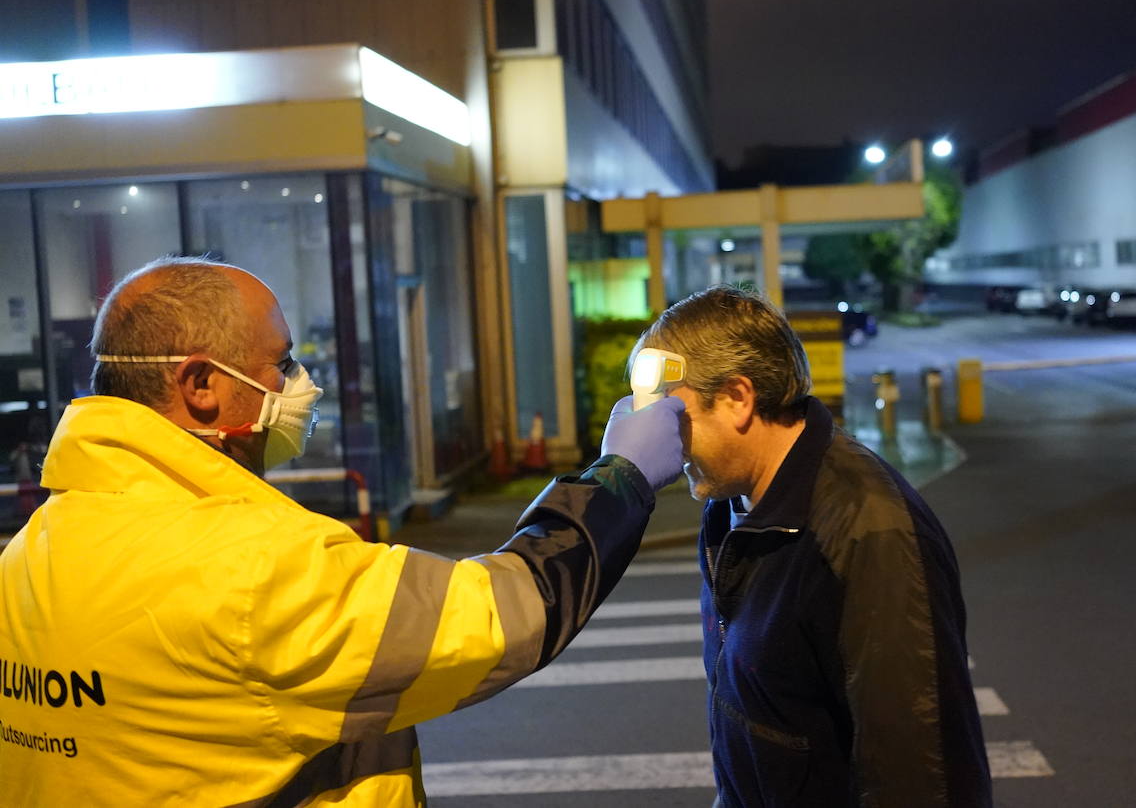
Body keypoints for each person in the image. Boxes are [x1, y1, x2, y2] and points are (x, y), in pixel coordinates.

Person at [0, 256, 685, 806]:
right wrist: (618, 477)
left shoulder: (33, 550)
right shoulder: (254, 566)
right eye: (282, 361)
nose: (301, 383)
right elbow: (503, 614)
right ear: (202, 384)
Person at [631, 286, 991, 807]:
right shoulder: (730, 506)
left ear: (737, 398)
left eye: (674, 416)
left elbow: (919, 772)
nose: (665, 440)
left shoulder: (869, 531)